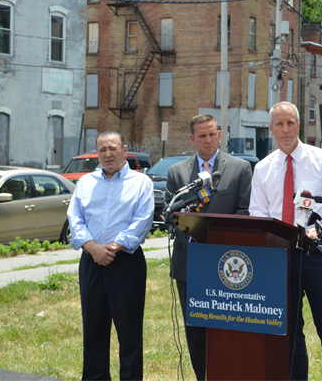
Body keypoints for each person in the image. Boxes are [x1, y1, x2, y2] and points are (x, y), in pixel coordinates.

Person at [249, 101, 322, 381]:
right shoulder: (263, 169)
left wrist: (318, 230)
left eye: (290, 123)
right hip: (279, 260)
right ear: (271, 128)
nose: (285, 129)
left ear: (299, 125)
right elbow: (257, 214)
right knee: (289, 335)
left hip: (316, 255)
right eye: (279, 124)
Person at [165, 114, 252, 381]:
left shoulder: (240, 168)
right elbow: (171, 218)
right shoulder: (177, 172)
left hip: (227, 263)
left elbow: (244, 213)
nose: (208, 140)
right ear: (193, 139)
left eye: (212, 134)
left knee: (226, 329)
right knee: (196, 329)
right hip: (189, 264)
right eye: (202, 136)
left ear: (220, 135)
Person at [67, 131, 154, 381]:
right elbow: (75, 219)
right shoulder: (85, 183)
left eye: (113, 148)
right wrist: (93, 248)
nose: (108, 154)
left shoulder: (141, 183)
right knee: (93, 330)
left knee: (129, 333)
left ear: (125, 150)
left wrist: (112, 247)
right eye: (102, 149)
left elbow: (142, 221)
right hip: (92, 261)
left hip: (126, 262)